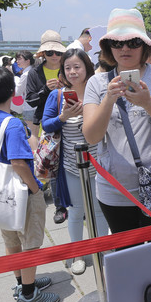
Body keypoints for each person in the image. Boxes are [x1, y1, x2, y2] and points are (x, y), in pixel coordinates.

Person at [82, 8, 151, 234]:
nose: (125, 48)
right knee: (127, 258)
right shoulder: (97, 83)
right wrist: (109, 99)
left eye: (133, 41)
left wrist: (148, 103)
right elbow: (91, 136)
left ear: (145, 46)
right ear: (108, 47)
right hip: (115, 190)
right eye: (117, 43)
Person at [0, 66, 60, 302]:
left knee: (11, 239)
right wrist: (35, 189)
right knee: (31, 241)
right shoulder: (12, 124)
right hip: (20, 191)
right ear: (13, 92)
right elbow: (18, 162)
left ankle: (23, 281)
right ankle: (28, 295)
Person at [41, 49, 110, 275]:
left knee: (100, 210)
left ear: (87, 67)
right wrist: (63, 117)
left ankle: (102, 250)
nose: (72, 72)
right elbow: (46, 124)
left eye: (77, 67)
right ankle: (77, 255)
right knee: (76, 210)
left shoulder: (97, 91)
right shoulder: (58, 96)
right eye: (68, 68)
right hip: (71, 165)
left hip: (99, 164)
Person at [25, 29, 68, 224]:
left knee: (73, 163)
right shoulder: (35, 72)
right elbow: (31, 100)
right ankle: (60, 206)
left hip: (72, 119)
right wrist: (46, 89)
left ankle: (77, 202)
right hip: (47, 122)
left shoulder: (70, 66)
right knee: (54, 164)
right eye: (49, 53)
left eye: (58, 52)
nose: (54, 56)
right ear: (42, 54)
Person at [14, 51, 39, 152]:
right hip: (38, 105)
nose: (17, 61)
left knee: (32, 133)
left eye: (20, 59)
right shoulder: (35, 71)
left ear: (28, 61)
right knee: (38, 133)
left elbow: (17, 92)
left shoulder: (26, 74)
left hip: (29, 106)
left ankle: (36, 156)